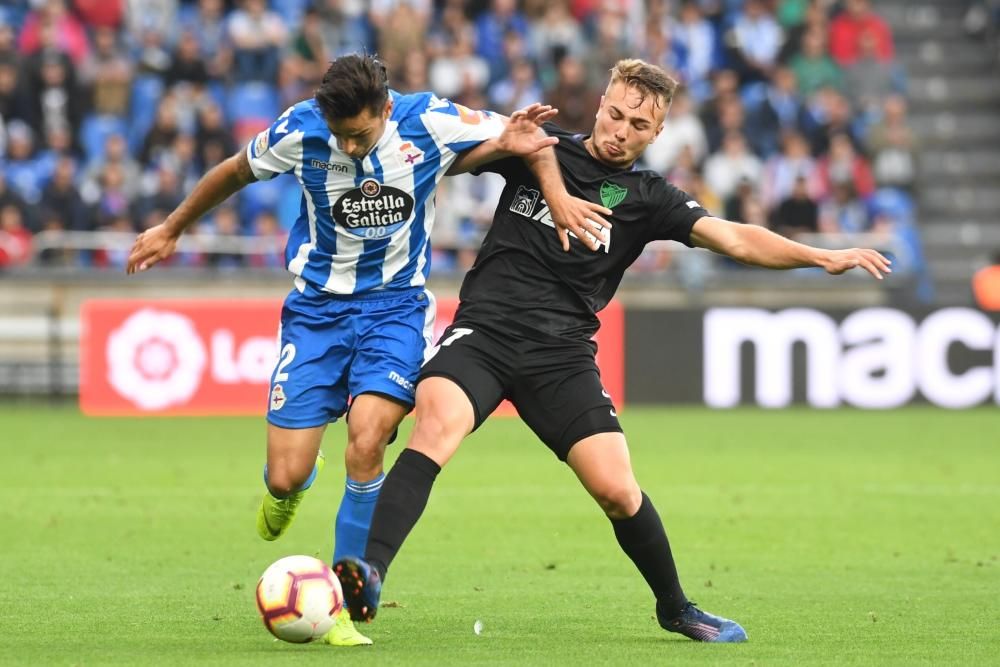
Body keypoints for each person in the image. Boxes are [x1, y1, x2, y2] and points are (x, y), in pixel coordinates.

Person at [332, 59, 892, 643]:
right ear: (601, 104)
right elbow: (450, 156)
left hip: (562, 356)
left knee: (619, 491)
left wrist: (820, 255)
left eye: (637, 125)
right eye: (616, 114)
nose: (621, 129)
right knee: (436, 427)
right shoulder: (537, 147)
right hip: (485, 334)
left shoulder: (649, 197)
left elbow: (733, 237)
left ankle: (675, 607)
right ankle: (369, 574)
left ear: (656, 134)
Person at [126, 53, 610, 647]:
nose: (350, 149)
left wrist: (523, 153)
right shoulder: (300, 130)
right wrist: (173, 227)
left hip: (395, 310)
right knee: (286, 472)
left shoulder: (428, 118)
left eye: (359, 135)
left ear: (384, 109)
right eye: (340, 137)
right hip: (316, 313)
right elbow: (233, 171)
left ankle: (345, 603)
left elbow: (526, 140)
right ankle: (291, 488)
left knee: (367, 438)